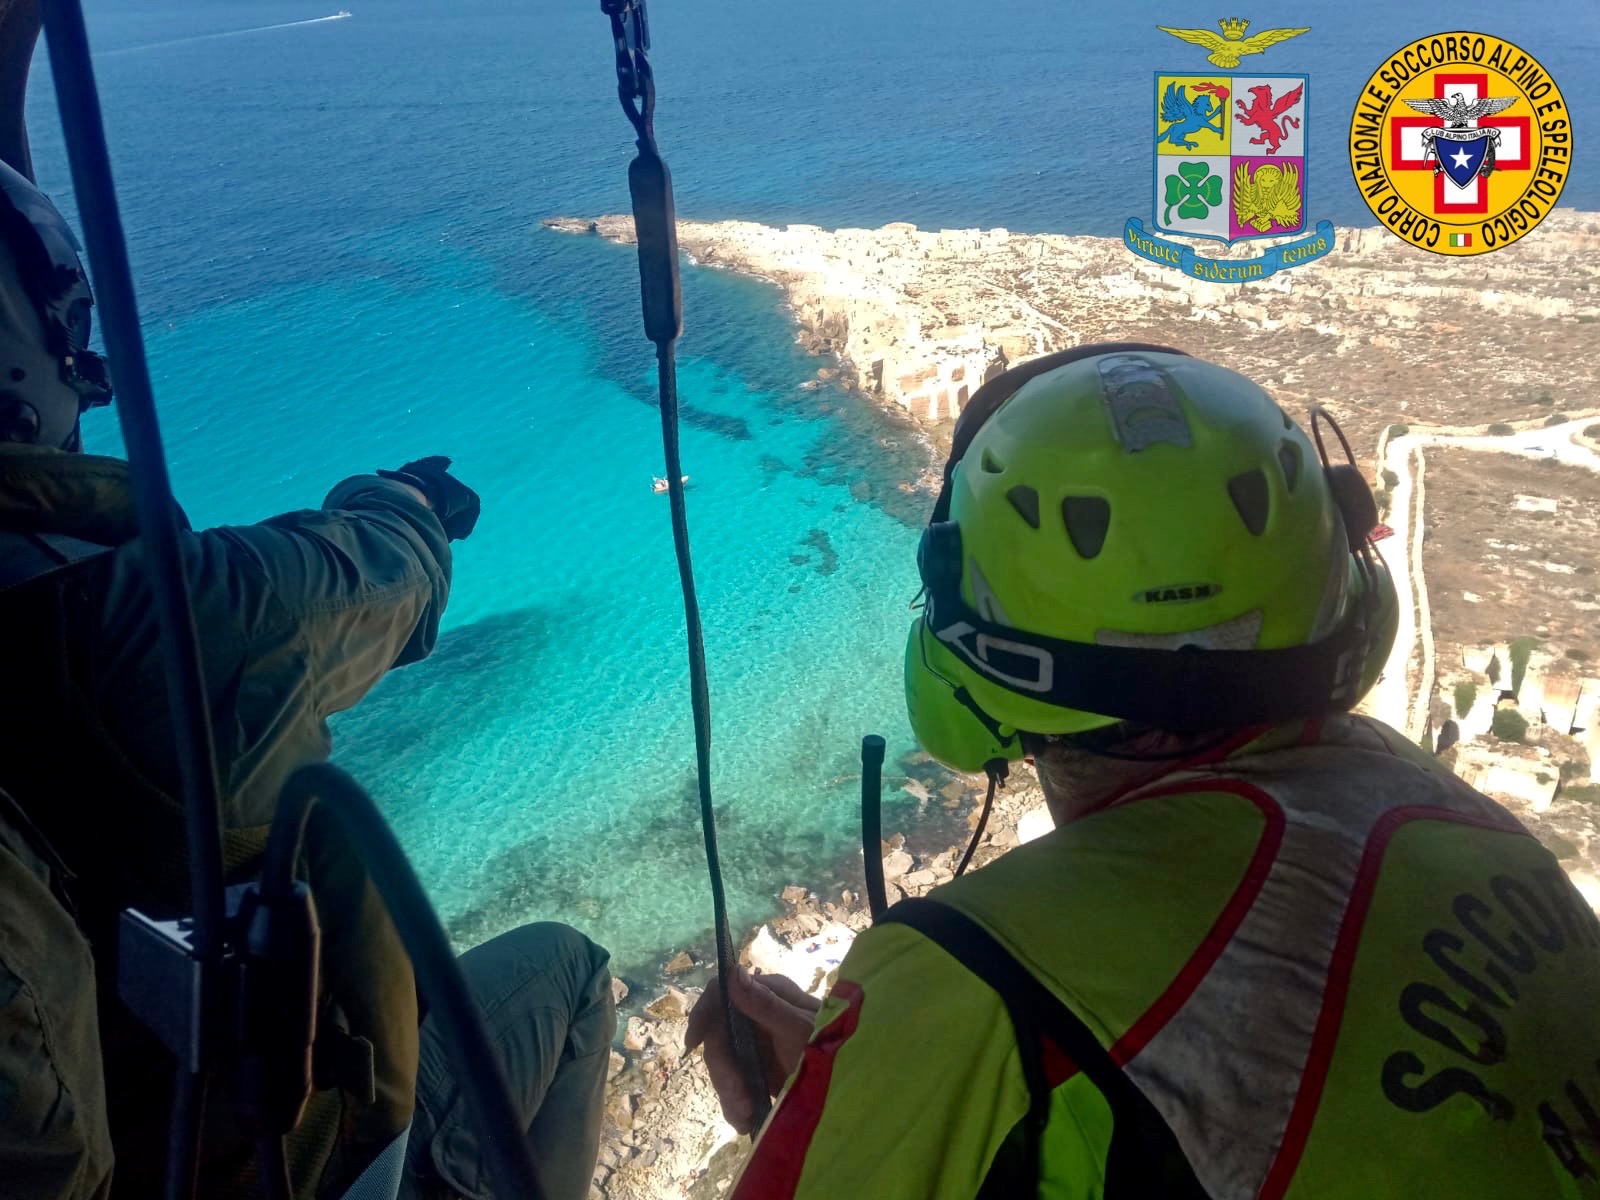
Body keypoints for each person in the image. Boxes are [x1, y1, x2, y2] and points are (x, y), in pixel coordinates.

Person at [689, 344, 1600, 1198]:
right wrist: (898, 1063)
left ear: (960, 668)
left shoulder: (972, 979)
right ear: (1351, 607)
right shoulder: (1468, 826)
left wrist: (907, 1049)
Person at [0, 5, 611, 1198]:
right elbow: (369, 575)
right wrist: (405, 501)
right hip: (302, 1159)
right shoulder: (163, 619)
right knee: (568, 972)